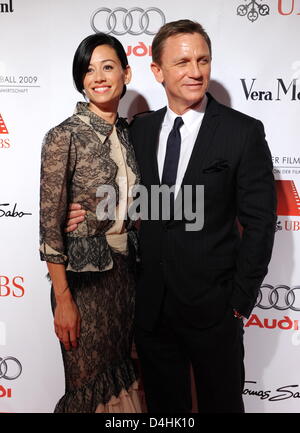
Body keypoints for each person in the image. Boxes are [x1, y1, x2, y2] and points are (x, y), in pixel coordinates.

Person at [66, 20, 277, 413]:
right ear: (158, 71)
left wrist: (239, 300)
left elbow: (262, 223)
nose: (195, 72)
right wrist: (79, 214)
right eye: (182, 63)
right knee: (164, 411)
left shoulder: (242, 132)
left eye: (202, 60)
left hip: (216, 309)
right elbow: (123, 197)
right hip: (152, 307)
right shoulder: (139, 131)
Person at [39, 33, 142, 413]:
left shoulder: (131, 135)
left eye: (108, 66)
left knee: (121, 377)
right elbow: (50, 228)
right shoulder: (63, 136)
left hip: (125, 279)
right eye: (88, 69)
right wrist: (63, 300)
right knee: (87, 387)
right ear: (81, 80)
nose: (98, 76)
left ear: (126, 74)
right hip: (82, 284)